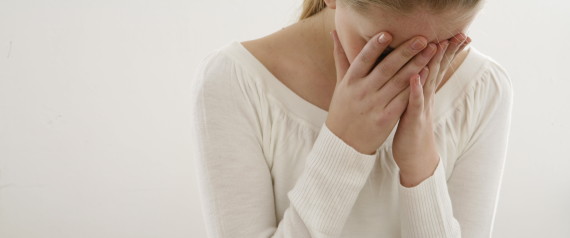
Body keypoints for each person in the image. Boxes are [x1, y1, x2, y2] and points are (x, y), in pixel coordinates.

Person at [190, 0, 513, 237]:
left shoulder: (482, 87)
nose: (411, 72)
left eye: (442, 48)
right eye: (383, 49)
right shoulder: (236, 81)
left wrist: (421, 166)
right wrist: (345, 146)